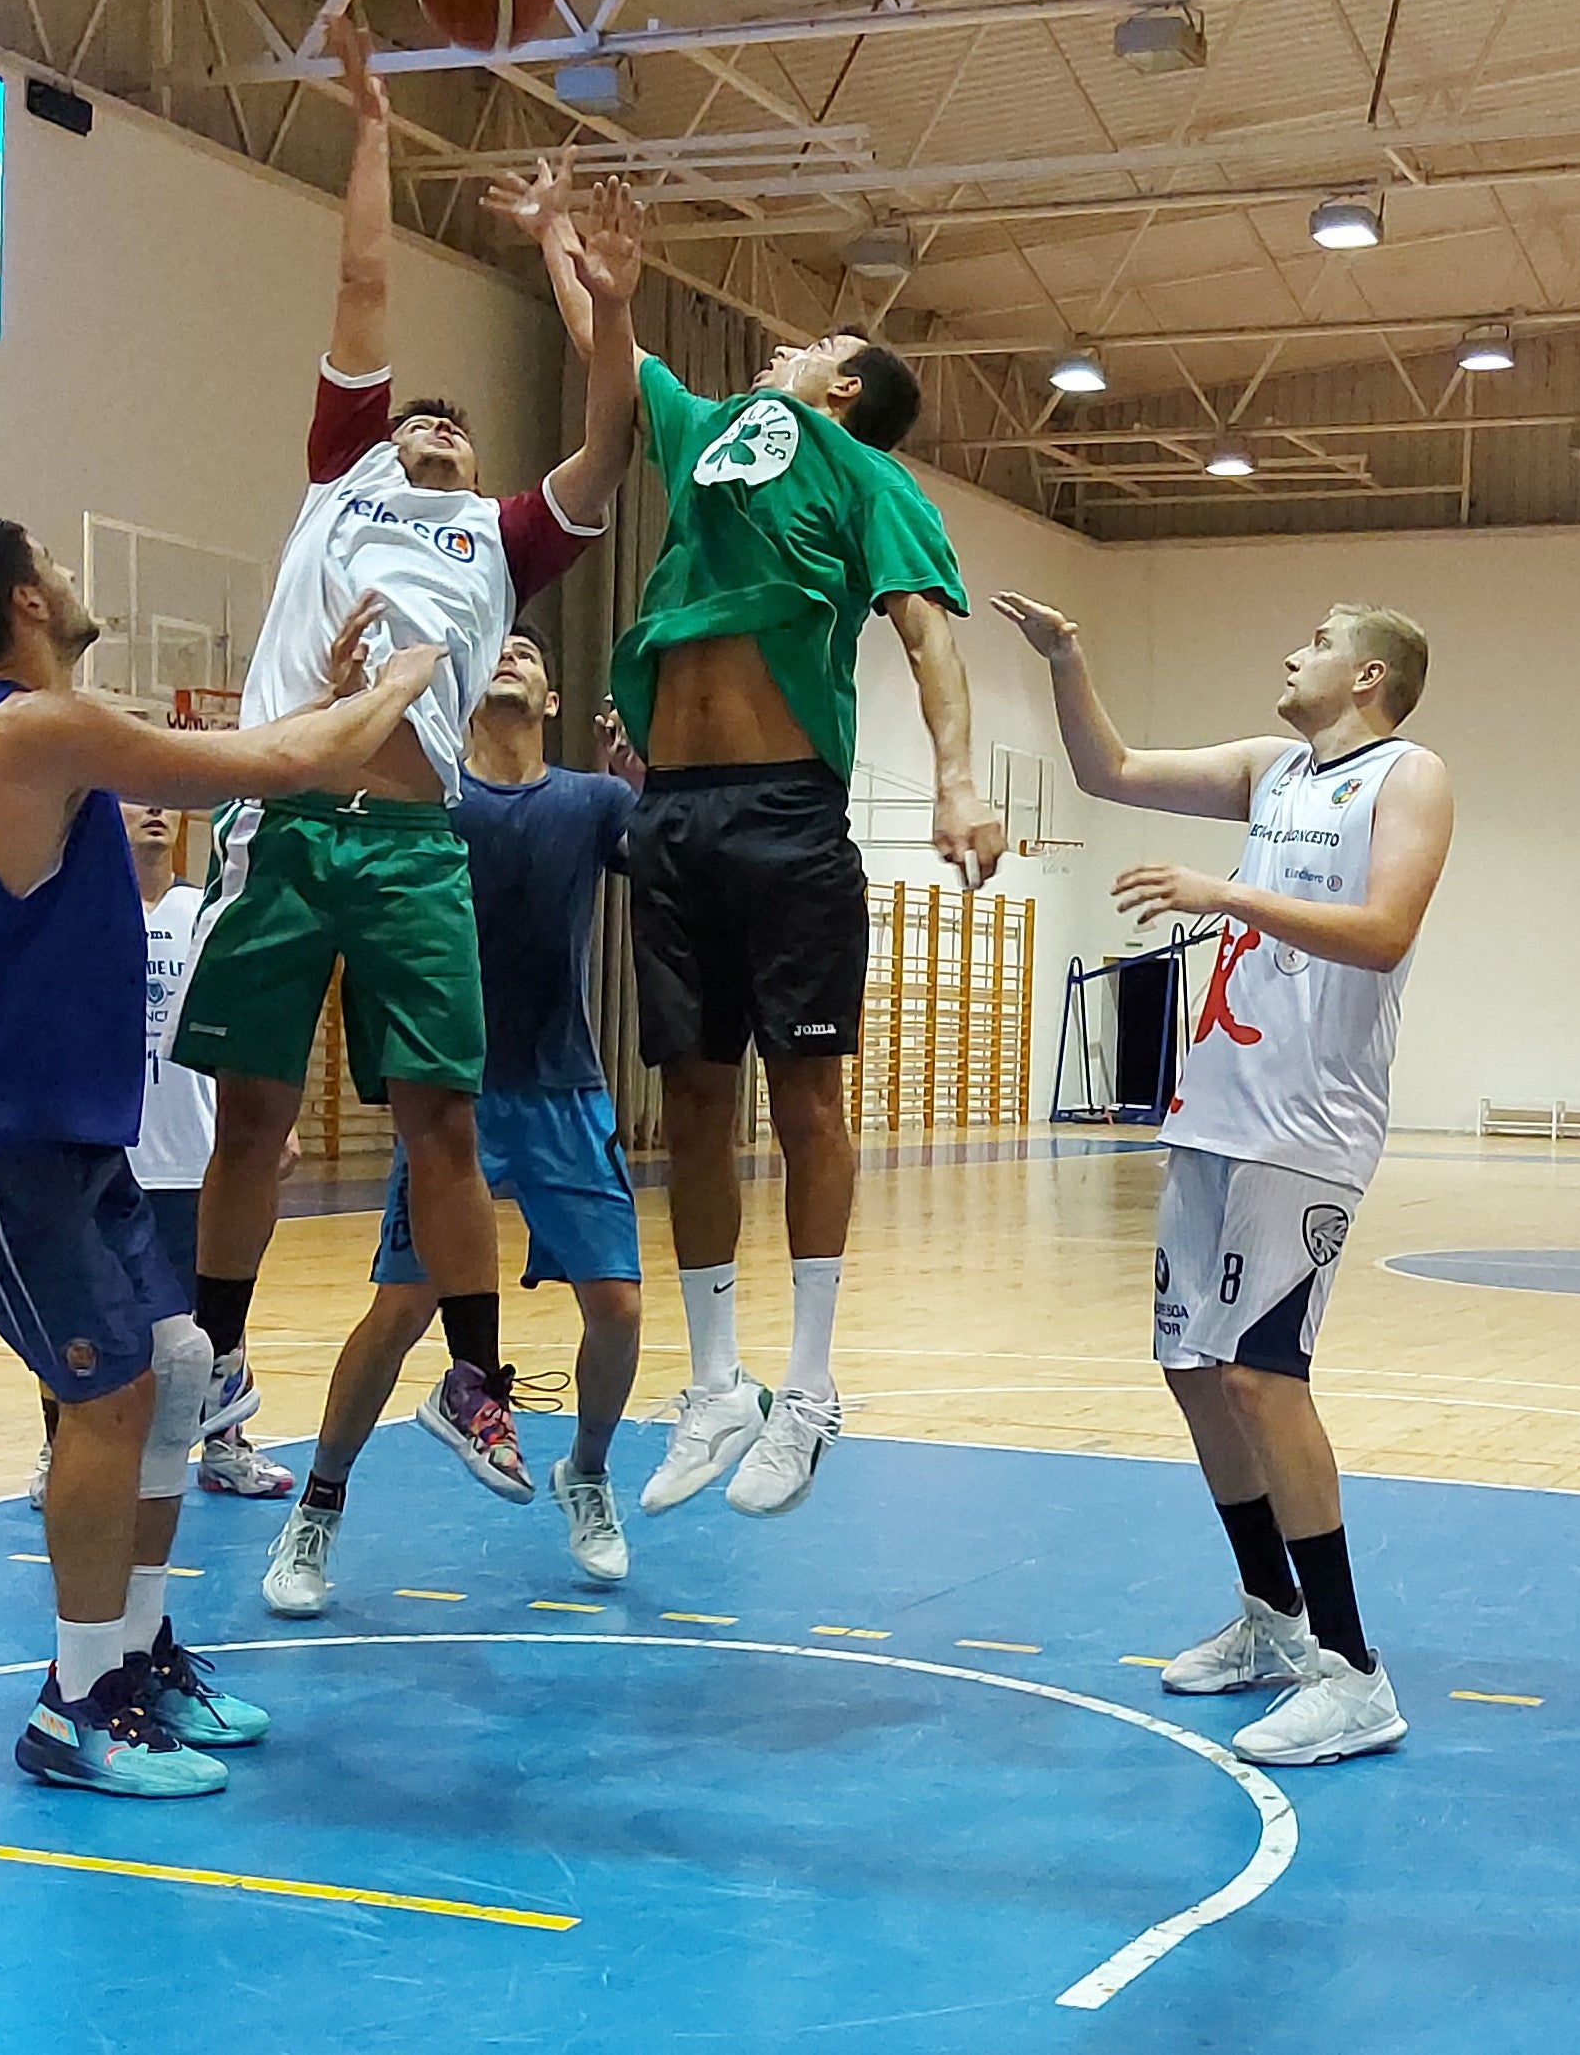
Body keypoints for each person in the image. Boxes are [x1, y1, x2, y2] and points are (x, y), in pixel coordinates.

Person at [0, 517, 437, 1796]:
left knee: (177, 1368)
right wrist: (408, 678)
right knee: (110, 1391)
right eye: (54, 569)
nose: (73, 586)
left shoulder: (49, 736)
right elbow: (273, 764)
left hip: (58, 1130)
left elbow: (255, 758)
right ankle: (74, 1704)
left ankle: (135, 1648)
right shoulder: (24, 726)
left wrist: (336, 704)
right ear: (26, 594)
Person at [170, 38, 639, 1508]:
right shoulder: (343, 479)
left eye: (454, 418)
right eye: (416, 413)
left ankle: (481, 1382)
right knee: (251, 1112)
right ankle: (217, 1363)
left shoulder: (503, 536)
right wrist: (373, 130)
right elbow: (362, 287)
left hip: (417, 844)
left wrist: (598, 294)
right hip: (289, 819)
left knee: (443, 1114)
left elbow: (612, 438)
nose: (432, 418)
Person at [990, 593, 1452, 1769]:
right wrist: (1067, 653)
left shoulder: (1408, 773)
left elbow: (1385, 927)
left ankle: (1354, 1670)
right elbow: (1109, 768)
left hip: (1308, 1120)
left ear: (1368, 678)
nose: (1291, 650)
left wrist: (1224, 892)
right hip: (1217, 1106)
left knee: (1261, 1372)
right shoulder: (1274, 768)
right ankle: (1272, 1617)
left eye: (1316, 642)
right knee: (1192, 1365)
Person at [608, 321, 1005, 1521]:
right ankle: (716, 1382)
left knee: (806, 1096)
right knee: (687, 1096)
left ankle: (811, 1384)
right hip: (672, 812)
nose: (788, 339)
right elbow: (620, 359)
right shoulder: (711, 439)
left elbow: (927, 631)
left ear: (842, 387)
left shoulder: (865, 474)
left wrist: (956, 778)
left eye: (824, 340)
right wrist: (588, 266)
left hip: (785, 809)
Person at [264, 630, 650, 1614]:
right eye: (499, 647)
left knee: (618, 1307)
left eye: (532, 647)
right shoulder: (431, 798)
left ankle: (588, 1473)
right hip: (450, 1102)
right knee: (399, 1311)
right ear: (471, 688)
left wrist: (656, 797)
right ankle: (315, 1508)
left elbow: (669, 879)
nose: (515, 649)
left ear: (555, 699)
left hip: (564, 1086)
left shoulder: (594, 801)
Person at [29, 802, 292, 1509]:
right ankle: (61, 1449)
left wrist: (269, 1121)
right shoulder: (81, 912)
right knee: (76, 1312)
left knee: (217, 1308)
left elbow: (239, 1022)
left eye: (162, 797)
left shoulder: (205, 911)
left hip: (194, 1151)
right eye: (132, 795)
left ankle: (225, 1446)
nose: (152, 809)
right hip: (103, 1152)